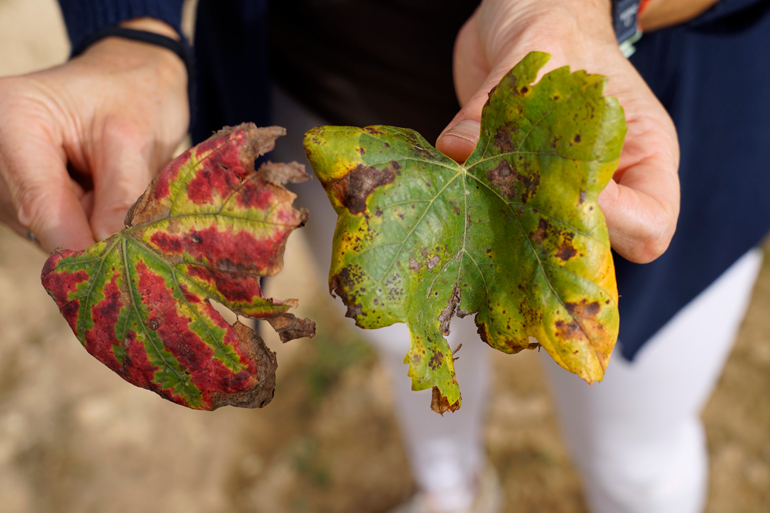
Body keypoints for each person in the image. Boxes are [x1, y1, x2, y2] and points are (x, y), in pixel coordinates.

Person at [0, 0, 767, 512]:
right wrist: (131, 29)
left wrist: (589, 4)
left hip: (620, 141)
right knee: (403, 341)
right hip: (338, 110)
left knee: (631, 438)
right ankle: (451, 487)